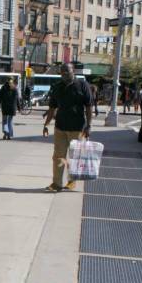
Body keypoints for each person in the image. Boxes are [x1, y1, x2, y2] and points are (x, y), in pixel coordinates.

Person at [43, 63, 92, 192]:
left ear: (73, 71)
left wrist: (89, 126)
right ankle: (57, 184)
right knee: (58, 156)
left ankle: (71, 181)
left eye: (67, 71)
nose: (64, 73)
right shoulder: (57, 87)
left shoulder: (82, 85)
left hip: (77, 128)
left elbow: (88, 106)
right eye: (62, 72)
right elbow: (52, 108)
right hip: (60, 127)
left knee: (74, 156)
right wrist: (46, 124)